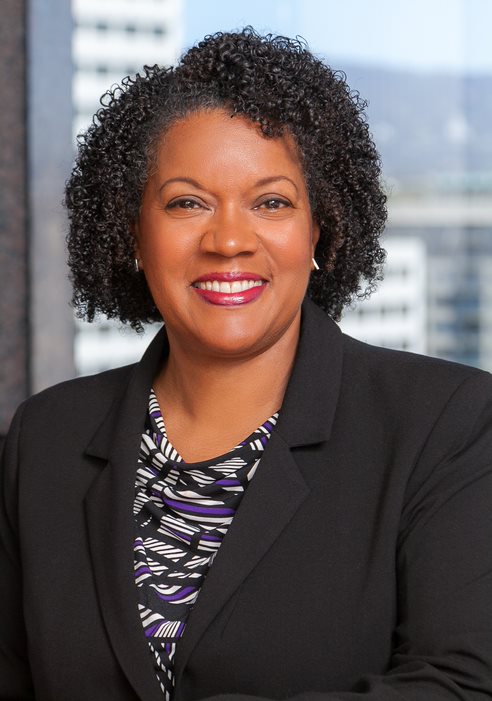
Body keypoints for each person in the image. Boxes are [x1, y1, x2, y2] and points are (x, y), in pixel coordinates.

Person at [1, 27, 492, 701]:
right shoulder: (44, 437)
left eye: (271, 202)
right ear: (132, 232)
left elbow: (462, 684)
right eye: (186, 202)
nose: (229, 239)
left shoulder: (446, 424)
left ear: (319, 230)